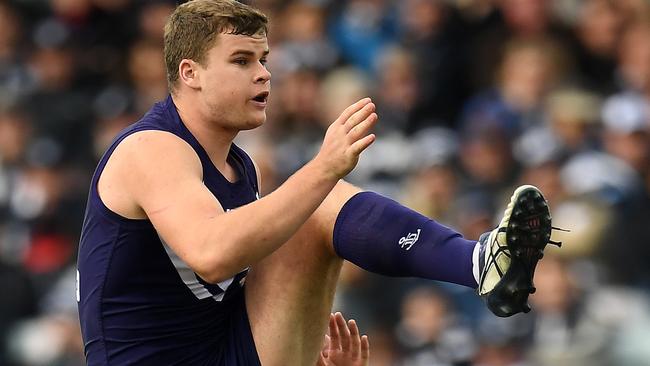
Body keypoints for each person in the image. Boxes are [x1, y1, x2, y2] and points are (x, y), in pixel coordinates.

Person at [76, 1, 558, 365]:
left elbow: (226, 294)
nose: (264, 74)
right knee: (317, 202)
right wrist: (322, 168)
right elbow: (210, 254)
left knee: (312, 211)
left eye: (264, 59)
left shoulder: (238, 167)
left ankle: (484, 265)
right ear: (190, 73)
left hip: (216, 353)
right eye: (242, 60)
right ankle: (480, 263)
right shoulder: (150, 148)